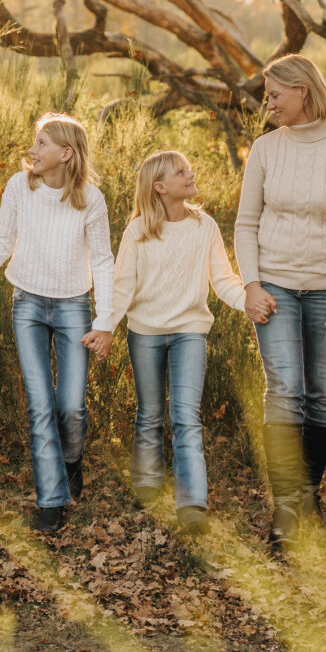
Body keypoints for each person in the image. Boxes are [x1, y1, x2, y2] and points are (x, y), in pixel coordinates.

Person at [234, 53, 326, 550]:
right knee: (286, 389)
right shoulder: (266, 149)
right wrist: (250, 284)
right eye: (267, 95)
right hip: (274, 285)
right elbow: (246, 223)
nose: (268, 103)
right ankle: (285, 512)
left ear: (304, 90)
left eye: (275, 94)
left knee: (321, 392)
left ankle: (307, 497)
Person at [0, 113, 114, 534]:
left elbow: (104, 262)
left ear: (66, 153)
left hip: (74, 305)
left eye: (42, 144)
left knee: (71, 406)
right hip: (28, 305)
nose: (33, 151)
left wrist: (106, 320)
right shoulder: (20, 187)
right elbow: (2, 240)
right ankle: (51, 499)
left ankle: (71, 459)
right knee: (41, 403)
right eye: (34, 142)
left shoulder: (90, 199)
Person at [106, 150, 249, 535]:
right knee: (149, 412)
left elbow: (223, 280)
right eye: (181, 171)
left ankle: (191, 504)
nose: (191, 174)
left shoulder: (205, 226)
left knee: (186, 416)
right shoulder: (137, 231)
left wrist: (249, 303)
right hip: (145, 332)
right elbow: (122, 288)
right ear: (160, 186)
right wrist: (106, 326)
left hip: (190, 331)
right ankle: (148, 484)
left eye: (189, 167)